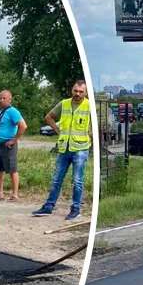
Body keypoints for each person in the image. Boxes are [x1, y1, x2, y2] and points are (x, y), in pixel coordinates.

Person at [33, 80, 92, 221]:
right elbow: (48, 117)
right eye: (75, 91)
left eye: (81, 91)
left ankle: (75, 209)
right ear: (72, 90)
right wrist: (58, 130)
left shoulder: (89, 106)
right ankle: (48, 207)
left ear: (86, 92)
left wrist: (90, 137)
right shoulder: (64, 103)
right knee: (56, 179)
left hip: (80, 148)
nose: (77, 94)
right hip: (64, 147)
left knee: (77, 180)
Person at [0, 90, 27, 201]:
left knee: (12, 169)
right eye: (0, 98)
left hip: (8, 145)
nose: (1, 100)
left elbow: (23, 126)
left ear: (10, 99)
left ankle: (15, 194)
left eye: (4, 98)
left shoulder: (12, 111)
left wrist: (14, 140)